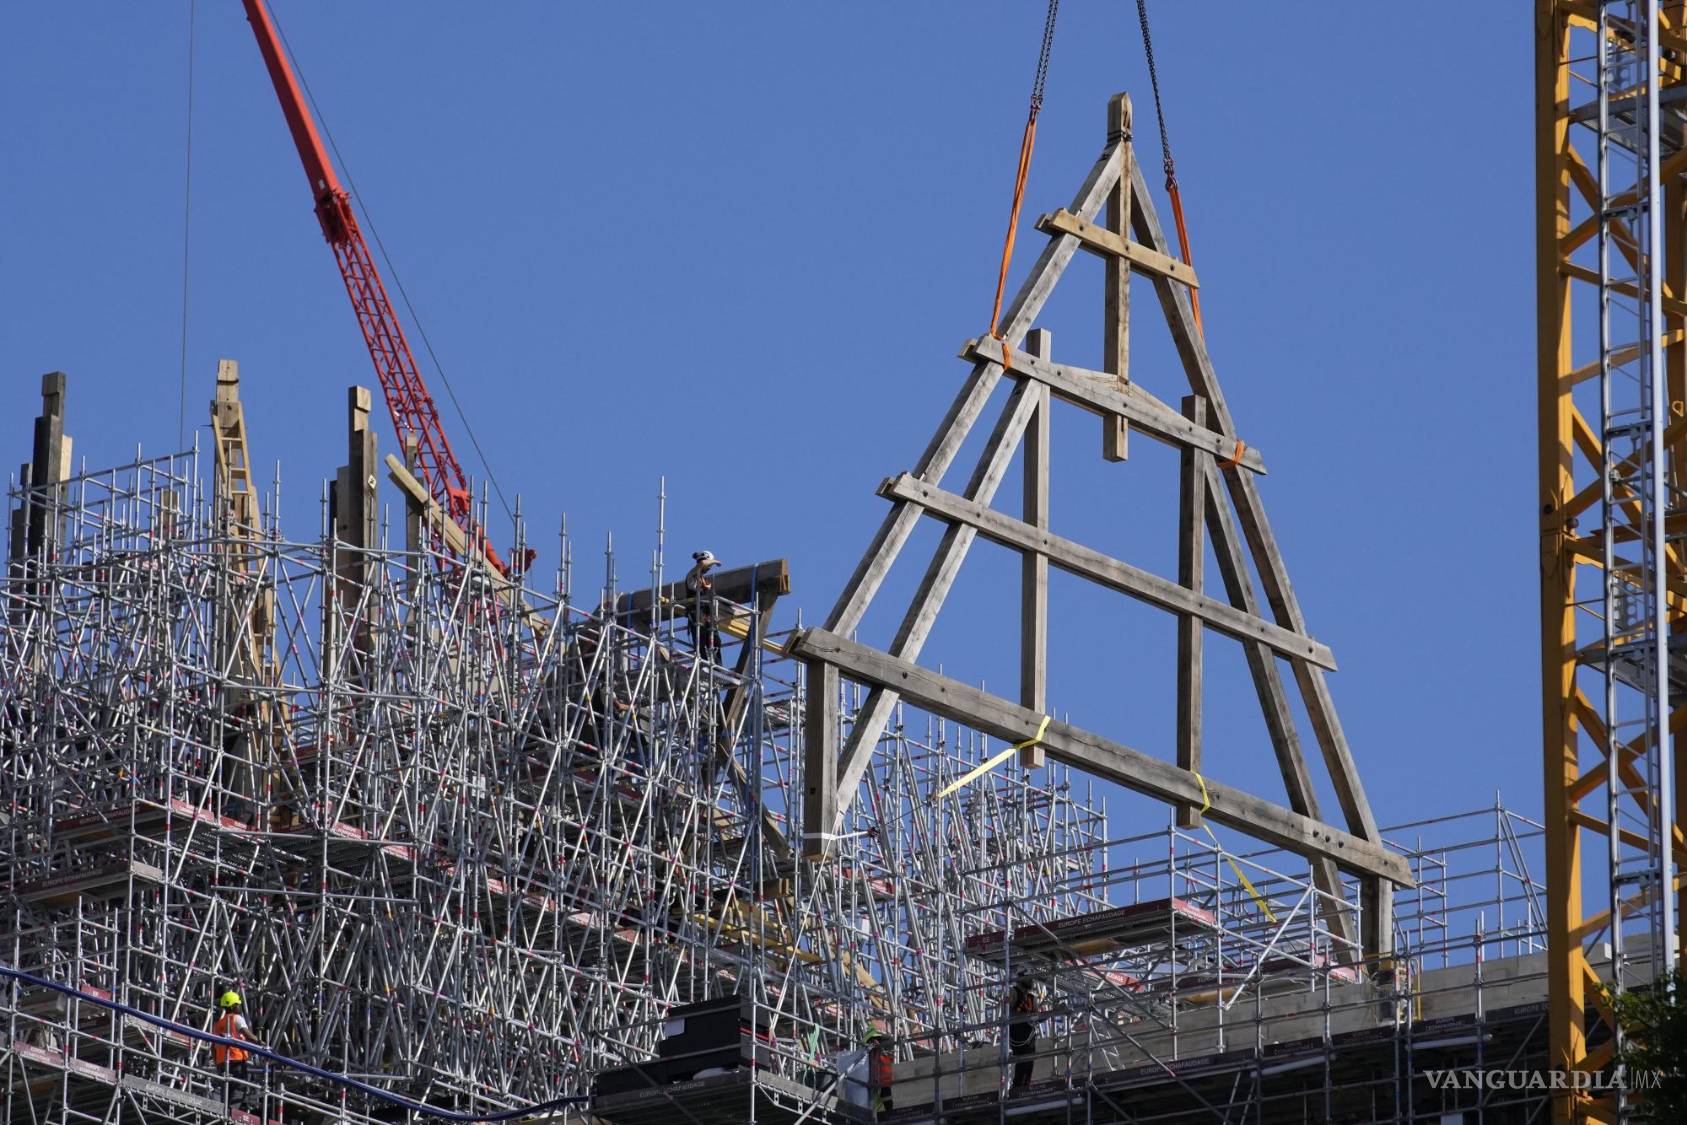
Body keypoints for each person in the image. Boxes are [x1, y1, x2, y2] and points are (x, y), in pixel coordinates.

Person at [213, 990, 263, 1112]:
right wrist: (261, 1043)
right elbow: (247, 1035)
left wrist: (217, 1064)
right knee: (239, 1087)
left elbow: (213, 1047)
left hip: (222, 1063)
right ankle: (231, 1114)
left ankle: (225, 1111)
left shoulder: (218, 1024)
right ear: (232, 1006)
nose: (240, 1007)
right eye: (238, 1004)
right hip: (236, 1060)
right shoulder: (237, 1018)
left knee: (226, 1089)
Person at [1005, 972, 1041, 1097]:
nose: (1031, 981)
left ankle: (1025, 1088)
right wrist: (1025, 1016)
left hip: (1029, 1034)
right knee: (1022, 1061)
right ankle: (1017, 1090)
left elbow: (1037, 1017)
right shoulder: (1013, 992)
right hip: (1018, 1031)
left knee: (1029, 1062)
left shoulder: (1032, 997)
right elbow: (1007, 1013)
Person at [683, 550, 723, 658]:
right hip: (696, 614)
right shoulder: (692, 576)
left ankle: (717, 668)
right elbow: (702, 564)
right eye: (709, 565)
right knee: (700, 641)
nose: (709, 568)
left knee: (715, 641)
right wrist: (715, 561)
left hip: (707, 615)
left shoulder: (704, 580)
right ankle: (703, 664)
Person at [865, 1028, 894, 1113]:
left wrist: (879, 1038)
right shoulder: (871, 1051)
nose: (874, 1042)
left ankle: (889, 1113)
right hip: (876, 1079)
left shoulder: (882, 1049)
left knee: (886, 1097)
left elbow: (890, 1039)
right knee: (877, 1098)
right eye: (872, 1040)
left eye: (876, 1040)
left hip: (884, 1079)